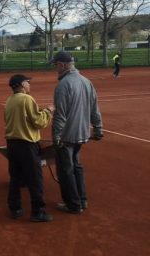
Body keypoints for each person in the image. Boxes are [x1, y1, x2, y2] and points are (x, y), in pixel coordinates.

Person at [50, 51, 103, 214]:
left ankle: (73, 204)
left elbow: (61, 115)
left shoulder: (63, 85)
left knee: (66, 170)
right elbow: (95, 108)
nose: (55, 68)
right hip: (82, 133)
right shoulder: (87, 82)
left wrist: (56, 136)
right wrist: (98, 128)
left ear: (63, 65)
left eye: (56, 65)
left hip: (67, 135)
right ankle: (82, 199)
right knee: (77, 167)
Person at [4, 74, 55, 222]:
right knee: (35, 179)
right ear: (21, 84)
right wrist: (49, 111)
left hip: (12, 144)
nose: (29, 84)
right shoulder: (26, 99)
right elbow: (39, 122)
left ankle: (15, 208)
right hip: (26, 145)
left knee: (15, 178)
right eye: (27, 82)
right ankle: (37, 212)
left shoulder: (9, 101)